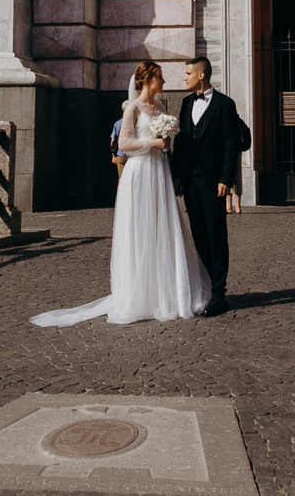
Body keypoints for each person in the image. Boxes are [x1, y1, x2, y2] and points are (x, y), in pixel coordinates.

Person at [30, 62, 210, 326]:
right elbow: (123, 143)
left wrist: (166, 145)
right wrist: (152, 143)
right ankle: (141, 292)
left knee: (163, 226)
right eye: (159, 77)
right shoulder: (133, 109)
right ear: (147, 81)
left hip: (158, 171)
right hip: (139, 173)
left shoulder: (160, 108)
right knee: (141, 228)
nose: (163, 81)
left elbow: (161, 143)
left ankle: (167, 290)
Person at [168, 54, 251, 315]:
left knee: (216, 235)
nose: (184, 77)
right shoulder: (184, 103)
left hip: (214, 183)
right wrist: (178, 175)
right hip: (190, 181)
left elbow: (231, 144)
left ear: (201, 75)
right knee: (199, 235)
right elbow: (181, 142)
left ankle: (219, 293)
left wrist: (226, 179)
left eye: (188, 73)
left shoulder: (225, 104)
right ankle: (204, 287)